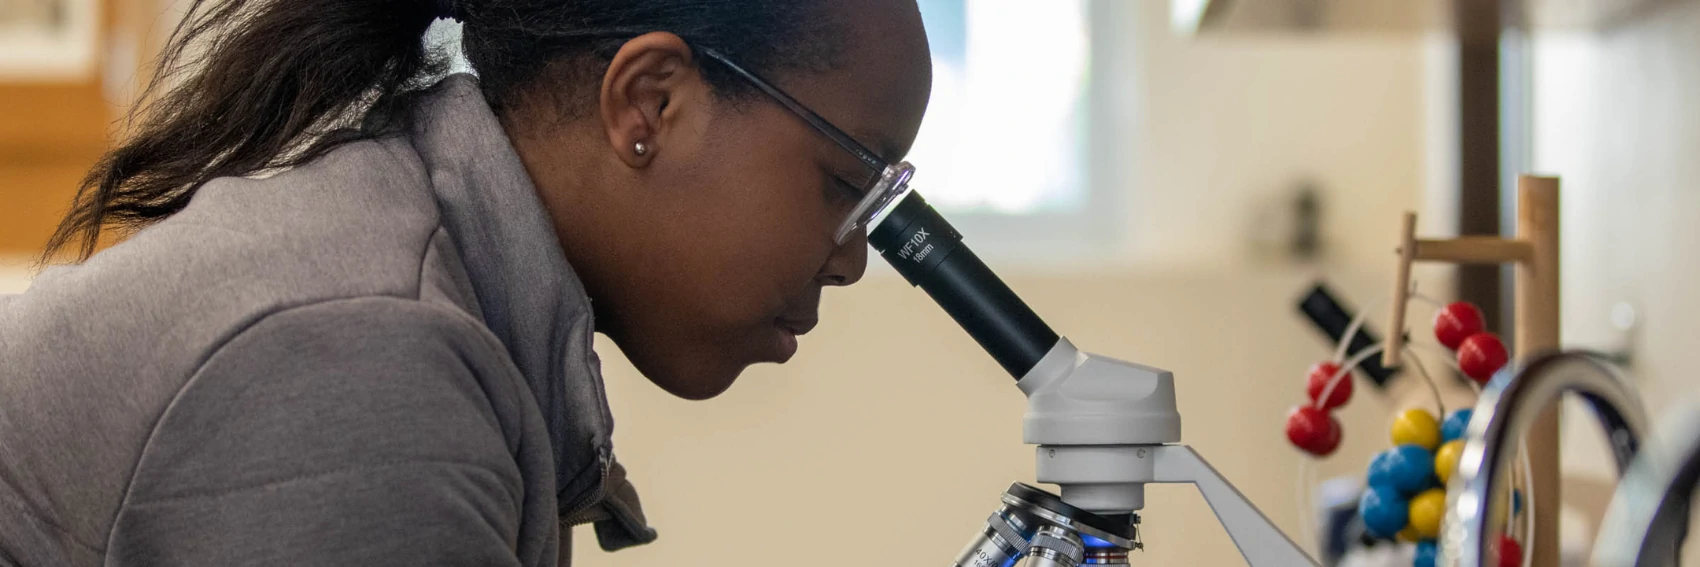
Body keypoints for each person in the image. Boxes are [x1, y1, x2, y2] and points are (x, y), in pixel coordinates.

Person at [0, 0, 931, 564]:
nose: (849, 258)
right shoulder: (359, 361)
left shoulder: (437, 280)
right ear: (651, 102)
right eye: (847, 182)